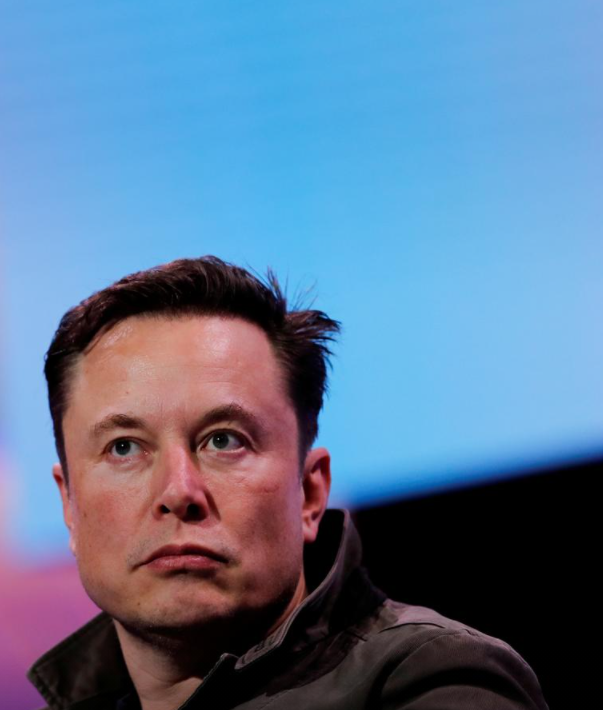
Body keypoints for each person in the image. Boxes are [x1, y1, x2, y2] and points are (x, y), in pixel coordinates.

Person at [27, 257, 547, 710]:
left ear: (311, 493)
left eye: (223, 440)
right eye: (124, 447)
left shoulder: (436, 683)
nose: (179, 491)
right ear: (69, 504)